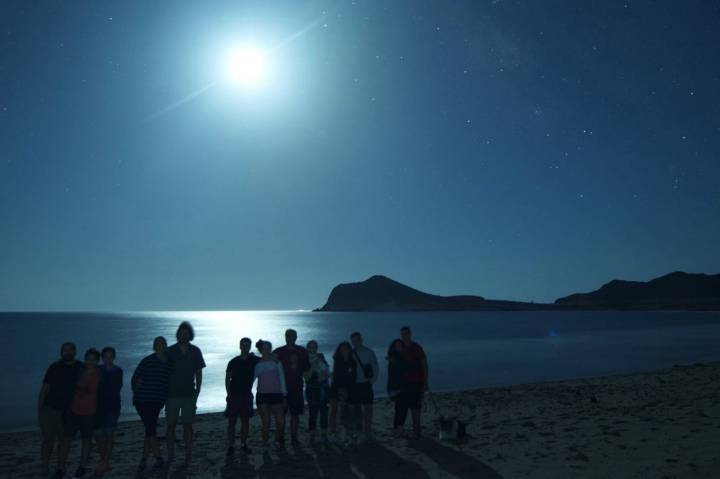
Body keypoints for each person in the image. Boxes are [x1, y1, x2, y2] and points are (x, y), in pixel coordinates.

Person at [39, 342, 83, 477]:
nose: (67, 352)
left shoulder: (80, 367)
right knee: (48, 440)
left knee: (65, 441)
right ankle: (45, 466)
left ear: (75, 352)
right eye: (64, 350)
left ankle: (61, 466)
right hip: (49, 409)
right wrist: (39, 410)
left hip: (68, 411)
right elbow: (45, 389)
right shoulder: (54, 367)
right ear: (61, 352)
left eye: (70, 350)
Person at [56, 348, 101, 479]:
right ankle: (61, 467)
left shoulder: (99, 375)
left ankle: (82, 466)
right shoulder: (79, 371)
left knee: (86, 440)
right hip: (74, 410)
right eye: (88, 359)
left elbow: (91, 392)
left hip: (90, 412)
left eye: (93, 360)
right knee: (66, 440)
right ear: (85, 359)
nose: (90, 362)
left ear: (97, 361)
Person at [166, 321, 206, 465]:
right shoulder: (170, 351)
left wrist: (198, 390)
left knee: (188, 426)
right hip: (171, 395)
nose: (183, 335)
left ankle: (188, 453)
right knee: (171, 426)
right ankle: (171, 454)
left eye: (186, 333)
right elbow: (163, 372)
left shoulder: (195, 351)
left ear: (190, 335)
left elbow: (199, 371)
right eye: (181, 333)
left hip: (189, 394)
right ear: (178, 335)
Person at [132, 336, 171, 472]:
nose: (160, 346)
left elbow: (168, 383)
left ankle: (144, 459)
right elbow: (135, 377)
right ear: (154, 347)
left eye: (162, 343)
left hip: (157, 402)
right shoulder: (147, 361)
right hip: (142, 401)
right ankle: (158, 457)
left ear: (166, 346)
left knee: (150, 430)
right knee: (151, 429)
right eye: (157, 344)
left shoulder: (169, 364)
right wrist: (137, 387)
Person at [272, 329, 310, 446]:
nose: (289, 338)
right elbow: (268, 362)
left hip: (297, 387)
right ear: (285, 337)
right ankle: (281, 438)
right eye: (287, 336)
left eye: (292, 336)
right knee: (280, 416)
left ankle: (294, 438)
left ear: (296, 337)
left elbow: (307, 369)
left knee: (295, 415)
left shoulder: (302, 351)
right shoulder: (279, 351)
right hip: (280, 390)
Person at [225, 337, 259, 455]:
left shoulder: (254, 360)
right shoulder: (233, 361)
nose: (245, 347)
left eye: (247, 345)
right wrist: (228, 394)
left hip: (246, 395)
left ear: (250, 347)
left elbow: (267, 357)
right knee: (232, 422)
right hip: (234, 396)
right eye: (243, 345)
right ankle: (231, 445)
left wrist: (260, 345)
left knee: (245, 422)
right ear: (240, 346)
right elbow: (227, 378)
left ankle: (244, 444)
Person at [94, 347, 123, 475]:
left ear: (114, 357)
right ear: (102, 357)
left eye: (110, 356)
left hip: (112, 406)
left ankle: (105, 461)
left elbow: (116, 388)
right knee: (99, 435)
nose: (108, 359)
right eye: (106, 356)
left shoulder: (118, 371)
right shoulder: (97, 369)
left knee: (109, 434)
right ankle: (103, 460)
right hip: (97, 406)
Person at [254, 340, 287, 450]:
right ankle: (265, 442)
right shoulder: (257, 364)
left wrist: (284, 394)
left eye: (269, 347)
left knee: (281, 421)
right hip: (262, 395)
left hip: (276, 394)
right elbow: (251, 379)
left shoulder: (277, 362)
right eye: (265, 348)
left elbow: (282, 378)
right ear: (261, 350)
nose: (267, 350)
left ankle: (277, 440)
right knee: (266, 422)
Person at [399, 326, 428, 438]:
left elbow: (424, 365)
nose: (404, 336)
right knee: (404, 407)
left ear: (410, 334)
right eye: (402, 334)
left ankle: (417, 430)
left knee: (415, 408)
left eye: (406, 333)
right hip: (403, 384)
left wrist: (425, 382)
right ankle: (409, 430)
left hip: (416, 383)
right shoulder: (400, 348)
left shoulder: (417, 348)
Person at [349, 331, 379, 442]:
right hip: (355, 385)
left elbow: (375, 366)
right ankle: (360, 430)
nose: (355, 342)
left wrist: (372, 381)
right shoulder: (351, 353)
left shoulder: (369, 352)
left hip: (366, 384)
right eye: (353, 340)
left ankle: (368, 431)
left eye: (357, 340)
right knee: (357, 410)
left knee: (368, 409)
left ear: (361, 340)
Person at [328, 341, 357, 443]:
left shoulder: (352, 362)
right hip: (336, 388)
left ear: (349, 350)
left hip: (347, 389)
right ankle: (332, 431)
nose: (344, 351)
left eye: (346, 349)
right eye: (342, 349)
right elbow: (336, 376)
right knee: (334, 410)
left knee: (344, 412)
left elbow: (353, 377)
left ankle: (344, 433)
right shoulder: (337, 360)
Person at [304, 340, 330, 443]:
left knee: (324, 412)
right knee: (313, 413)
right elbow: (306, 377)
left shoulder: (321, 357)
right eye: (310, 347)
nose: (312, 349)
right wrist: (312, 367)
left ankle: (324, 433)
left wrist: (325, 375)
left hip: (323, 388)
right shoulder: (305, 360)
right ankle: (312, 434)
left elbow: (327, 371)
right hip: (312, 389)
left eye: (314, 347)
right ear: (307, 348)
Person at [386, 339, 411, 436]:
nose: (399, 347)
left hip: (399, 387)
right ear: (394, 347)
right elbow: (396, 375)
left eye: (400, 345)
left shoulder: (401, 358)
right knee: (402, 408)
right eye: (397, 346)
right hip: (396, 388)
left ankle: (397, 428)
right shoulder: (394, 359)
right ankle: (399, 428)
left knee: (400, 408)